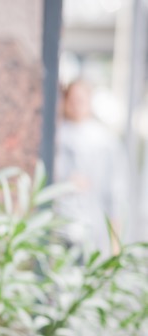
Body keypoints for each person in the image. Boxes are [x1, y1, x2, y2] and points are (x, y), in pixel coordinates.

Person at [54, 79, 129, 255]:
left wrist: (115, 243)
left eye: (80, 100)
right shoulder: (56, 135)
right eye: (71, 100)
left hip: (93, 230)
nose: (75, 106)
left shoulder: (105, 141)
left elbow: (115, 195)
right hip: (59, 226)